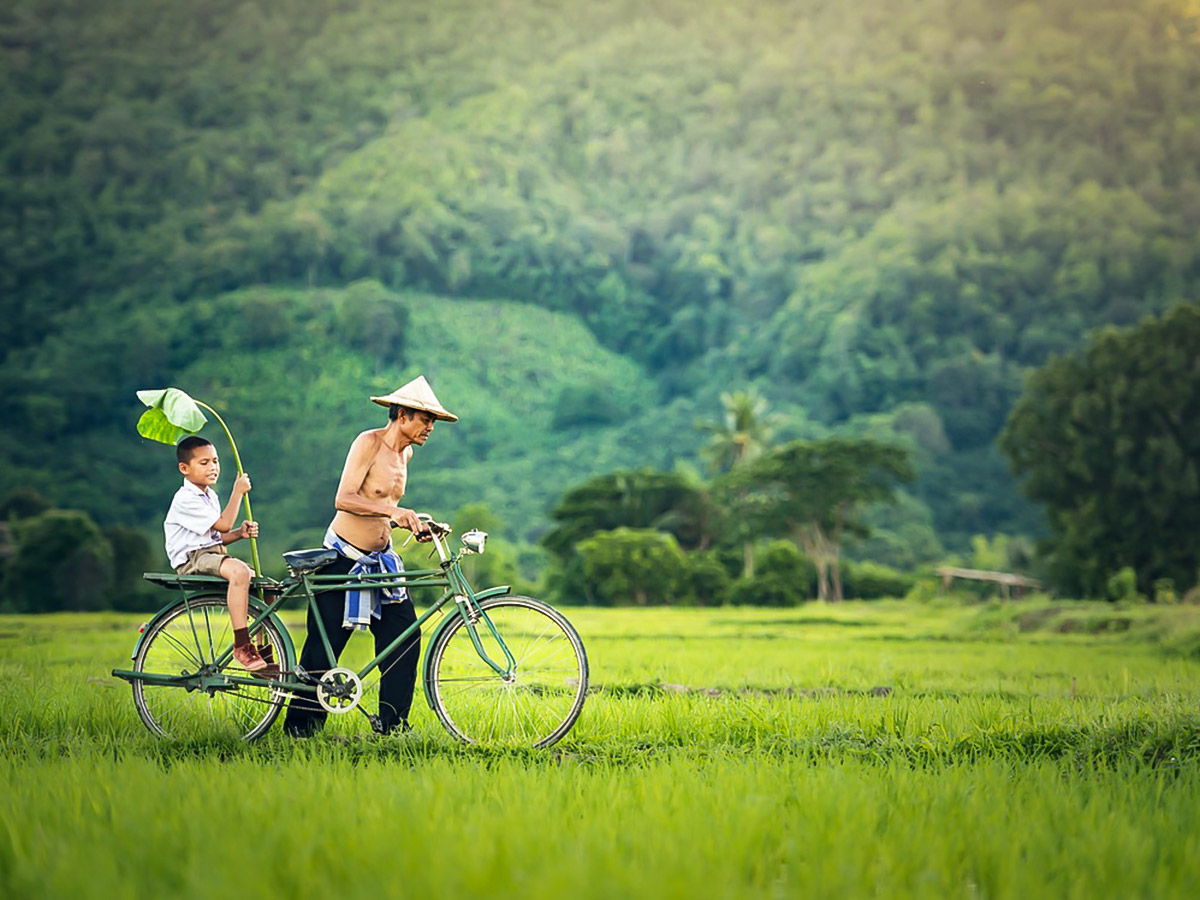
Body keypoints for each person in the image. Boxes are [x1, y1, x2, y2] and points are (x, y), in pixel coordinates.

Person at [283, 375, 458, 737]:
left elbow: (386, 505)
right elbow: (344, 498)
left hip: (382, 561)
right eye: (426, 419)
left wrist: (415, 522)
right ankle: (300, 730)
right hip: (342, 558)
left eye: (433, 422)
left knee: (404, 637)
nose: (430, 427)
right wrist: (394, 513)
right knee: (323, 648)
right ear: (403, 415)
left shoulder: (405, 454)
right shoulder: (369, 442)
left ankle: (393, 726)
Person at [164, 435, 276, 674]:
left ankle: (264, 648)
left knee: (266, 589)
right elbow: (223, 524)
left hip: (211, 554)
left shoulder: (209, 495)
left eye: (215, 461)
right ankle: (242, 645)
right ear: (184, 468)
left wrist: (240, 533)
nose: (213, 467)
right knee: (239, 571)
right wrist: (238, 492)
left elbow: (219, 536)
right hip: (193, 558)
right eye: (204, 463)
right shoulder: (185, 498)